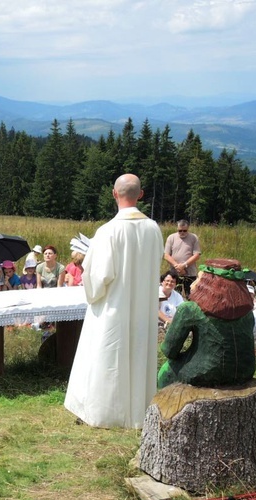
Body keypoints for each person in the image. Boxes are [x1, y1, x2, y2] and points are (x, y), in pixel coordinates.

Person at [64, 173, 163, 429]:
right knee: (138, 355)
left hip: (113, 309)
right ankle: (139, 411)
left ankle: (106, 413)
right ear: (140, 195)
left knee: (108, 358)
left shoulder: (107, 231)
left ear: (114, 193)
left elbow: (98, 278)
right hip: (142, 309)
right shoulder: (154, 229)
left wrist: (87, 275)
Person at [158, 260, 256, 388]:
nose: (192, 285)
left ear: (209, 284)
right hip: (245, 370)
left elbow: (169, 350)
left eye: (198, 279)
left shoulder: (189, 309)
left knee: (166, 370)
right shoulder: (248, 312)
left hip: (204, 372)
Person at [164, 220, 201, 297]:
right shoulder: (171, 238)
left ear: (188, 229)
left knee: (190, 297)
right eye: (180, 231)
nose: (182, 232)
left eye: (184, 230)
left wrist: (184, 265)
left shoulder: (193, 238)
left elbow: (197, 255)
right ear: (177, 229)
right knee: (175, 296)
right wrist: (177, 266)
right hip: (175, 273)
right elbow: (166, 255)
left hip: (190, 274)